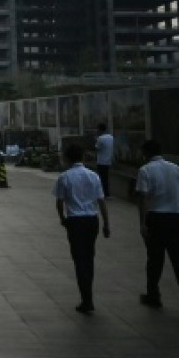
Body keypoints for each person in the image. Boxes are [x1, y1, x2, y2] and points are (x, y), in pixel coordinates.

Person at [135, 139, 179, 320]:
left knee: (155, 260)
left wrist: (143, 223)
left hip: (156, 218)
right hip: (175, 219)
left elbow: (144, 199)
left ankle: (153, 295)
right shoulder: (175, 168)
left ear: (145, 153)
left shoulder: (145, 170)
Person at [53, 142, 111, 314]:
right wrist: (106, 224)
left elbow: (59, 202)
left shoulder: (64, 177)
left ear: (68, 158)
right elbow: (101, 201)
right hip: (92, 220)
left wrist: (62, 218)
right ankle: (88, 294)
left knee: (79, 260)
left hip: (75, 221)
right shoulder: (93, 176)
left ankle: (87, 299)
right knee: (89, 257)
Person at [94, 123, 114, 198]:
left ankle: (101, 193)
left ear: (100, 129)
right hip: (108, 161)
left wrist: (96, 140)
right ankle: (107, 193)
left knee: (101, 178)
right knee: (106, 178)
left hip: (101, 161)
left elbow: (97, 148)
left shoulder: (100, 138)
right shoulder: (111, 137)